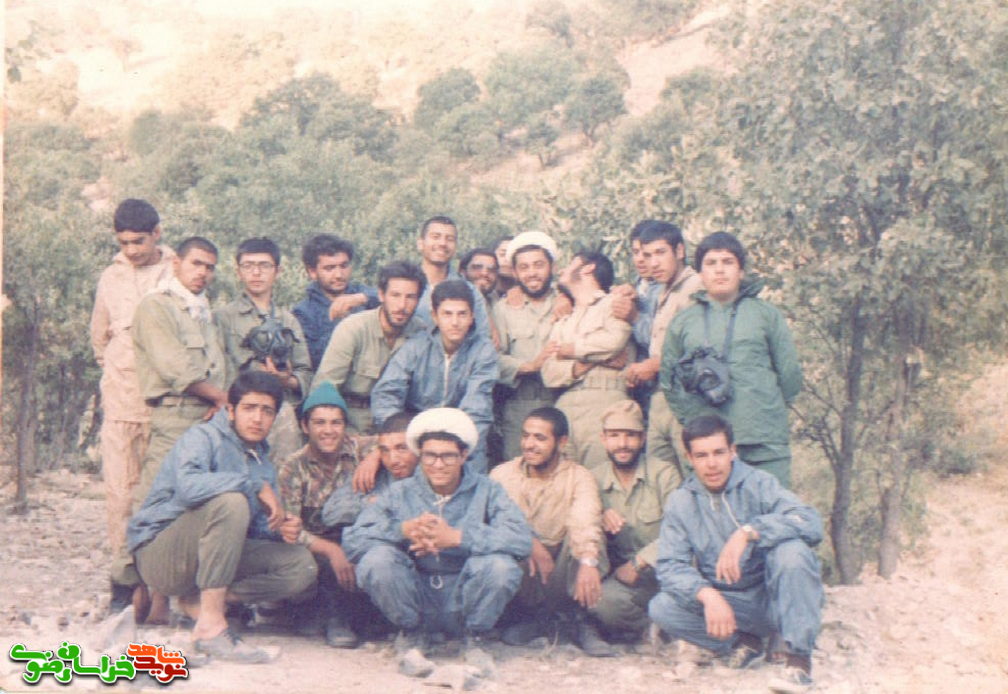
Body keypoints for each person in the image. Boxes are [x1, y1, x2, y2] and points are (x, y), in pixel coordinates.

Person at [126, 371, 318, 663]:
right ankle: (210, 628)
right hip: (162, 555)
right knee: (231, 501)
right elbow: (188, 488)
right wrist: (251, 485)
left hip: (209, 561)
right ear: (231, 410)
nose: (257, 419)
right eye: (249, 408)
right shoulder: (202, 437)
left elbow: (249, 530)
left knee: (301, 564)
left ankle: (198, 603)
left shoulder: (261, 460)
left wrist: (280, 528)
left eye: (267, 411)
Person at [343, 408, 531, 678]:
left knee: (500, 566)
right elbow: (353, 539)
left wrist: (458, 538)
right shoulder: (400, 492)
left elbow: (520, 539)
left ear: (463, 455)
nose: (438, 465)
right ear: (420, 456)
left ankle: (475, 638)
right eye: (430, 456)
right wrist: (402, 530)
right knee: (377, 559)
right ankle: (411, 635)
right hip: (417, 598)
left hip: (465, 596)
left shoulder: (487, 490)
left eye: (448, 456)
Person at [648, 414, 823, 689]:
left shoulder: (760, 483)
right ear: (689, 458)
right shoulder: (681, 501)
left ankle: (798, 659)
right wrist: (707, 595)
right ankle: (744, 643)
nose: (712, 464)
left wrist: (749, 532)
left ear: (733, 451)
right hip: (730, 602)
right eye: (702, 455)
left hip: (773, 597)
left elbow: (809, 522)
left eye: (719, 452)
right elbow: (670, 565)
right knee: (662, 607)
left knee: (792, 553)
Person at [660, 232, 803, 486]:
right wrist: (692, 419)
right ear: (700, 273)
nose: (719, 270)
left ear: (741, 270)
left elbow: (790, 374)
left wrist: (766, 409)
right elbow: (669, 380)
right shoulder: (683, 322)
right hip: (709, 445)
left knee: (773, 507)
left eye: (728, 262)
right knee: (715, 509)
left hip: (763, 440)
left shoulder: (765, 314)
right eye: (711, 263)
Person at [90, 199, 176, 611]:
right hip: (121, 405)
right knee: (120, 497)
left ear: (157, 234)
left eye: (139, 241)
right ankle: (124, 587)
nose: (132, 250)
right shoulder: (110, 277)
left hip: (165, 408)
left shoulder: (177, 272)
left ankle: (162, 589)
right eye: (123, 242)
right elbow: (99, 339)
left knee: (161, 496)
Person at [490, 407, 615, 658]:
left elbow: (585, 518)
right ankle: (535, 619)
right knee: (503, 547)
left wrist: (588, 561)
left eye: (540, 438)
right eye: (526, 436)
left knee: (590, 537)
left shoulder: (579, 477)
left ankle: (580, 619)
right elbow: (495, 523)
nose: (529, 445)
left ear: (561, 442)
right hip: (526, 572)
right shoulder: (502, 475)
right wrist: (529, 541)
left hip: (563, 572)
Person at [276, 382, 381, 649]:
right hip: (316, 546)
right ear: (305, 426)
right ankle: (332, 617)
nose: (328, 431)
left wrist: (375, 457)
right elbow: (289, 529)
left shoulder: (359, 449)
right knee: (314, 565)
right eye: (319, 423)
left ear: (345, 426)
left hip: (356, 538)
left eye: (336, 423)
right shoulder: (293, 467)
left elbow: (399, 441)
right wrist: (331, 551)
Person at [132, 236, 229, 507]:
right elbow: (175, 367)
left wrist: (221, 403)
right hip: (176, 414)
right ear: (176, 263)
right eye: (196, 263)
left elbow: (220, 366)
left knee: (201, 498)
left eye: (209, 267)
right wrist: (221, 398)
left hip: (211, 417)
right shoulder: (157, 305)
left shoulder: (204, 312)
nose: (202, 273)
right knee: (156, 493)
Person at [371, 280, 499, 474]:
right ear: (435, 316)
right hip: (416, 440)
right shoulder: (416, 346)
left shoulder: (483, 351)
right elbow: (386, 394)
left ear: (472, 316)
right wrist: (406, 440)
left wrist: (450, 450)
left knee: (468, 481)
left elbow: (477, 409)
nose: (455, 322)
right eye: (447, 314)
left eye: (462, 314)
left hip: (464, 442)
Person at [216, 237, 312, 464]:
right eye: (248, 266)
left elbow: (305, 371)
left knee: (285, 472)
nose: (256, 273)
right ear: (238, 271)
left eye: (264, 265)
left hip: (280, 412)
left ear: (277, 271)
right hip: (237, 411)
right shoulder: (223, 318)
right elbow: (217, 369)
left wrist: (286, 380)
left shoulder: (288, 320)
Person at [588, 400, 677, 642]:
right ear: (603, 438)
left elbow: (680, 530)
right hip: (628, 582)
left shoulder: (664, 474)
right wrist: (598, 516)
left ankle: (675, 623)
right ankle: (652, 628)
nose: (623, 444)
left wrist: (640, 562)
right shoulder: (592, 479)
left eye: (631, 435)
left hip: (667, 571)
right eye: (614, 435)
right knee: (600, 601)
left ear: (643, 438)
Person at [622, 222, 703, 479]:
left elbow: (698, 347)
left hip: (686, 396)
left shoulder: (695, 287)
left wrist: (654, 365)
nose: (653, 262)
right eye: (647, 255)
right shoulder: (663, 291)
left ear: (679, 251)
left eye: (660, 253)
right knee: (661, 478)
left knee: (696, 474)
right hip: (660, 396)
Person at [541, 250, 634, 470]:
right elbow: (548, 372)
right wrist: (583, 364)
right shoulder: (564, 317)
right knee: (564, 479)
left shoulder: (614, 303)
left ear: (587, 268)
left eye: (570, 263)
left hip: (604, 400)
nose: (562, 271)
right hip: (565, 403)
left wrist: (571, 349)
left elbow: (614, 342)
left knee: (602, 475)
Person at [312, 261, 426, 434]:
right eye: (395, 295)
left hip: (397, 424)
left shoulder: (421, 332)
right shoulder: (353, 329)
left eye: (410, 297)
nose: (402, 305)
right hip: (351, 422)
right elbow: (324, 389)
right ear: (381, 295)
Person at [492, 231, 562, 461]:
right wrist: (529, 366)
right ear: (514, 272)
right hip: (521, 403)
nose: (532, 273)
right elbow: (492, 358)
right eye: (524, 267)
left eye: (538, 265)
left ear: (552, 267)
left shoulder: (568, 302)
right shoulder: (503, 309)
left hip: (563, 399)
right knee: (519, 467)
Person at [292, 234, 379, 369]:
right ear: (312, 272)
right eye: (329, 268)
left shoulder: (361, 292)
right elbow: (313, 359)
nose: (339, 275)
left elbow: (391, 298)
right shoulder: (303, 312)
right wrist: (341, 322)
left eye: (344, 266)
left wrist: (361, 298)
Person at [411, 215, 494, 340]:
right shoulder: (405, 286)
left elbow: (482, 338)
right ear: (420, 244)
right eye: (436, 237)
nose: (442, 243)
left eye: (449, 239)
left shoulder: (470, 292)